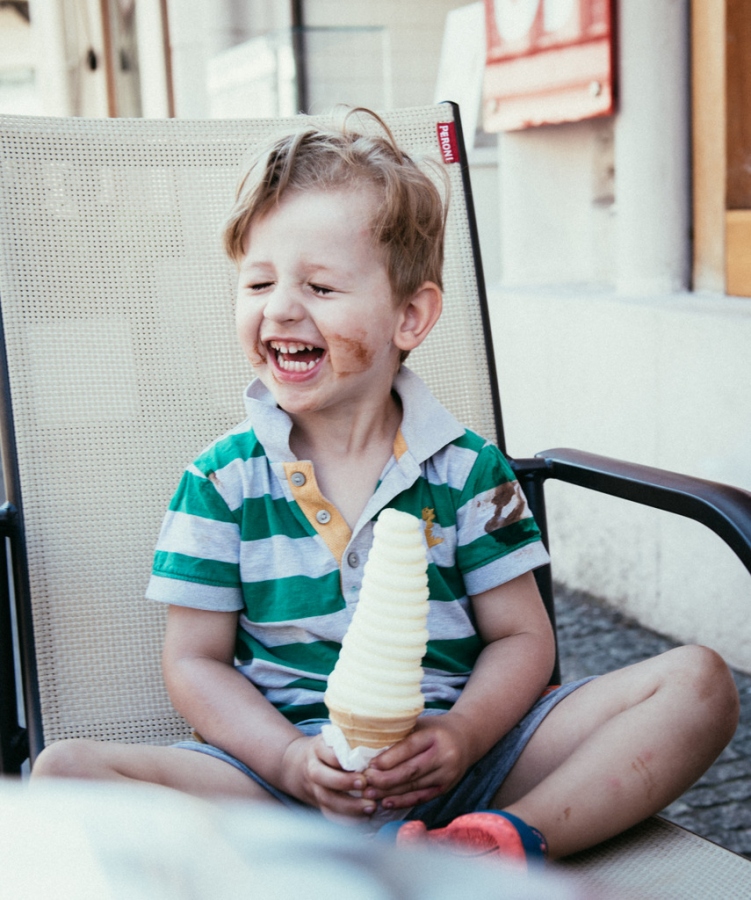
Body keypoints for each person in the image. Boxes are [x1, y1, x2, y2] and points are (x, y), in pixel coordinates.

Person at [33, 109, 739, 866]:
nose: (279, 307)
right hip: (280, 783)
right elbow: (194, 662)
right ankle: (328, 857)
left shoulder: (465, 471)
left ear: (411, 315)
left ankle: (499, 845)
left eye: (320, 285)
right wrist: (285, 762)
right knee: (63, 773)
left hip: (469, 768)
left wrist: (463, 736)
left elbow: (521, 638)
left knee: (699, 684)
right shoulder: (221, 481)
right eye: (259, 280)